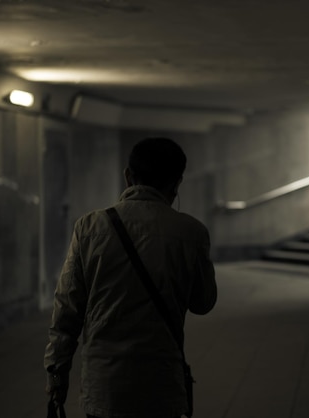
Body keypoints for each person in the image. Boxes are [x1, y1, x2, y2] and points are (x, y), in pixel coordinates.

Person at [44, 137, 217, 418]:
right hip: (161, 384)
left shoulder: (89, 227)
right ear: (176, 182)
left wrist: (56, 373)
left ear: (128, 176)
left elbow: (67, 307)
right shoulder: (192, 232)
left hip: (105, 385)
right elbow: (203, 301)